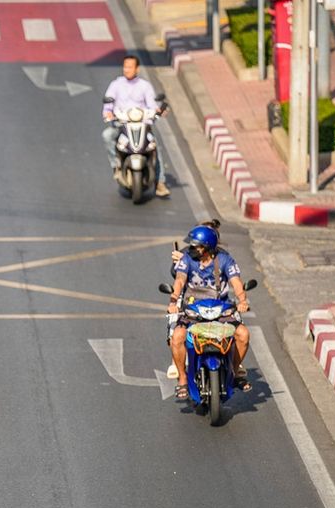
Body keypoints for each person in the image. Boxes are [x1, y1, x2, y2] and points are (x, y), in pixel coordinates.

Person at [166, 224, 252, 399]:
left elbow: (236, 283)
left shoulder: (225, 260)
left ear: (207, 247)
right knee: (177, 336)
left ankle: (234, 371)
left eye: (197, 246)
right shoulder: (187, 259)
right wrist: (173, 300)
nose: (192, 249)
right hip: (193, 309)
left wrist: (243, 301)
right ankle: (182, 379)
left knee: (243, 334)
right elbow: (180, 281)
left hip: (221, 309)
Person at [102, 55, 169, 197]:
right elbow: (109, 102)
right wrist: (108, 112)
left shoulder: (145, 86)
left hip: (142, 125)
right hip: (121, 125)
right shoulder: (116, 85)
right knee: (107, 136)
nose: (126, 69)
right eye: (125, 66)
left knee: (154, 147)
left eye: (130, 67)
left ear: (137, 69)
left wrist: (158, 110)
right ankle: (116, 166)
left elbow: (152, 104)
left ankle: (160, 182)